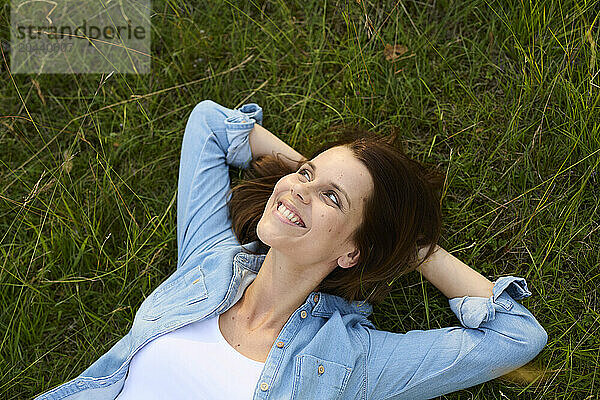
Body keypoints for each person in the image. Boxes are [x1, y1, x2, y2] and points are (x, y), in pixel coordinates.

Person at [35, 100, 547, 400]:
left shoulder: (350, 361)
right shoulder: (210, 260)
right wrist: (310, 185)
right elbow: (210, 123)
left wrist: (413, 251)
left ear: (352, 251)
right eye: (305, 172)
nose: (299, 187)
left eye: (331, 198)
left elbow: (516, 336)